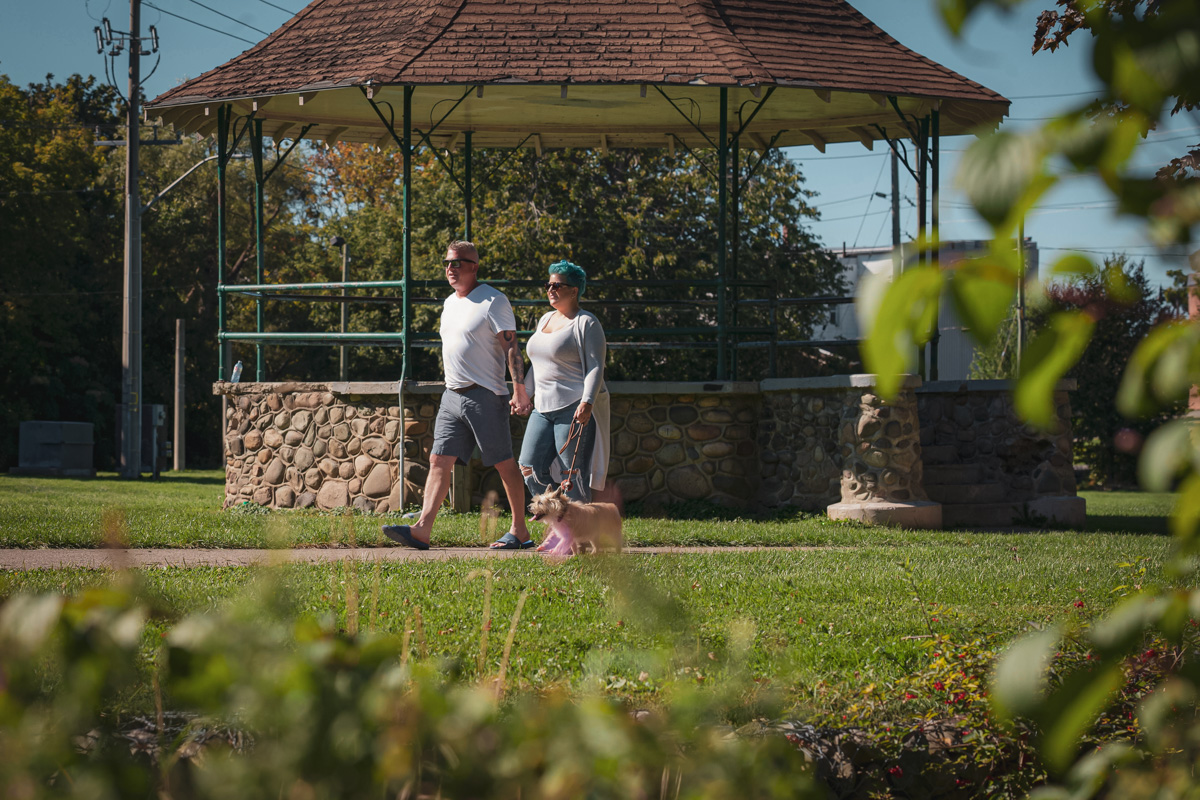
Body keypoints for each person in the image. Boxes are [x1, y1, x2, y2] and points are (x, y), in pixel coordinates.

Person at [382, 240, 536, 550]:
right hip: (452, 395)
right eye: (448, 262)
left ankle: (520, 531)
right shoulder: (450, 302)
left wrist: (519, 389)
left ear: (474, 266)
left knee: (504, 463)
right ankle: (422, 529)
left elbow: (512, 348)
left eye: (458, 263)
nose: (451, 268)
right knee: (439, 459)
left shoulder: (493, 300)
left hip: (485, 395)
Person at [516, 260, 610, 526]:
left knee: (572, 474)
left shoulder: (586, 323)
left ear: (574, 290)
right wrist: (525, 395)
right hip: (542, 409)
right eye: (548, 284)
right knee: (529, 467)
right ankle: (559, 523)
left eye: (557, 285)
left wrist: (587, 401)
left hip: (573, 407)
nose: (550, 289)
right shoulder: (546, 319)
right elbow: (538, 363)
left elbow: (595, 367)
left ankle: (583, 530)